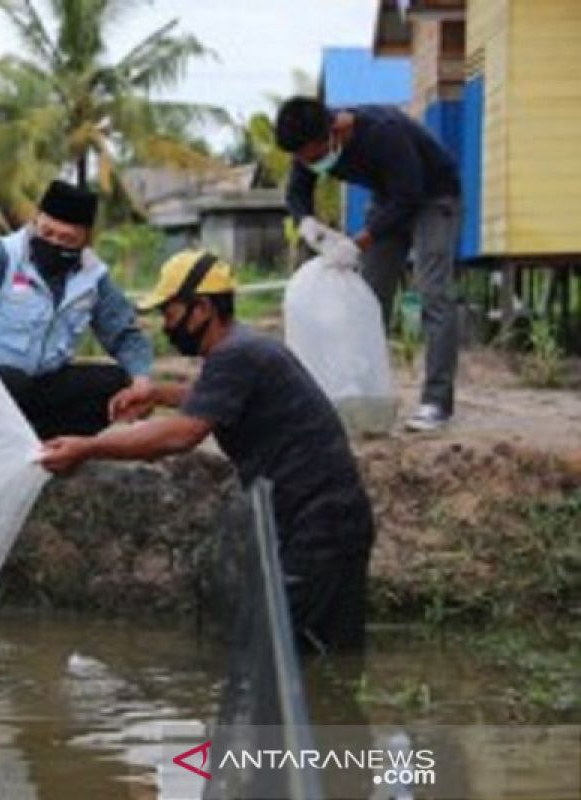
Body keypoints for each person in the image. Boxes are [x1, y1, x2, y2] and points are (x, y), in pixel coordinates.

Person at [39, 251, 375, 656]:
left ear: (201, 309)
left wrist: (87, 446)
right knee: (324, 660)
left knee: (295, 661)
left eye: (170, 312)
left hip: (319, 529)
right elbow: (218, 400)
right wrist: (159, 394)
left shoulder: (236, 354)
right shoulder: (243, 349)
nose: (166, 325)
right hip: (325, 520)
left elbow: (181, 436)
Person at [275, 96, 462, 432]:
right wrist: (306, 222)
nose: (312, 164)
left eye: (315, 157)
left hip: (433, 194)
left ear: (332, 133)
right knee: (368, 297)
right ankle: (362, 395)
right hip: (390, 197)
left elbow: (411, 196)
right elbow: (297, 193)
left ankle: (436, 402)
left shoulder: (383, 132)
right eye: (303, 159)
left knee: (433, 293)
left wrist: (355, 243)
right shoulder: (308, 143)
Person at [0, 180, 154, 439]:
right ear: (34, 223)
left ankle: (39, 443)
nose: (54, 243)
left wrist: (141, 378)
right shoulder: (5, 255)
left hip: (42, 385)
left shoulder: (94, 278)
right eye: (47, 233)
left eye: (67, 239)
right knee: (14, 382)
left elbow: (123, 332)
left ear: (85, 240)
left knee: (115, 383)